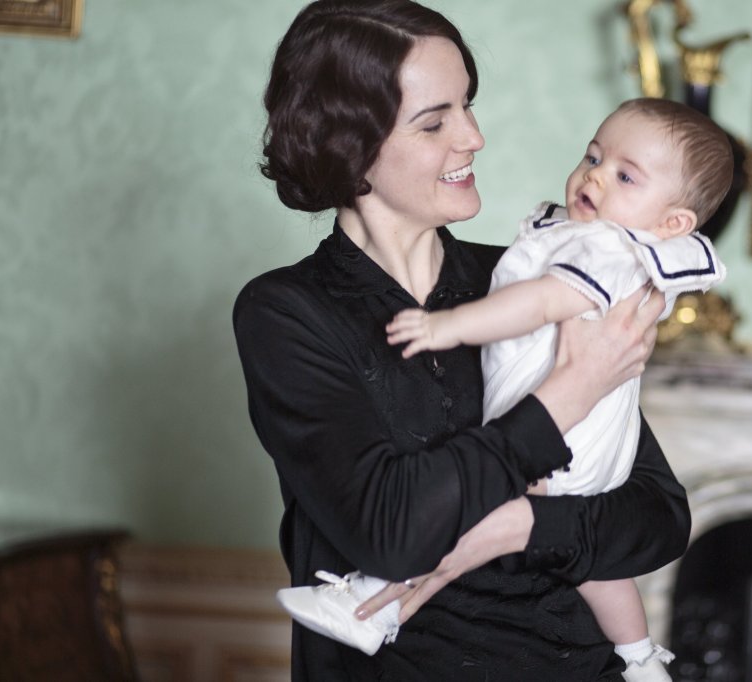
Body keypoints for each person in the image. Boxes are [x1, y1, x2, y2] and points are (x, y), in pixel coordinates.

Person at [233, 2, 691, 680]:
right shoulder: (287, 312)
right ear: (349, 144)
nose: (473, 136)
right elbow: (393, 533)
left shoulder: (530, 275)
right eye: (435, 121)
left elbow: (657, 514)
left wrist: (519, 526)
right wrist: (573, 389)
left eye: (468, 106)